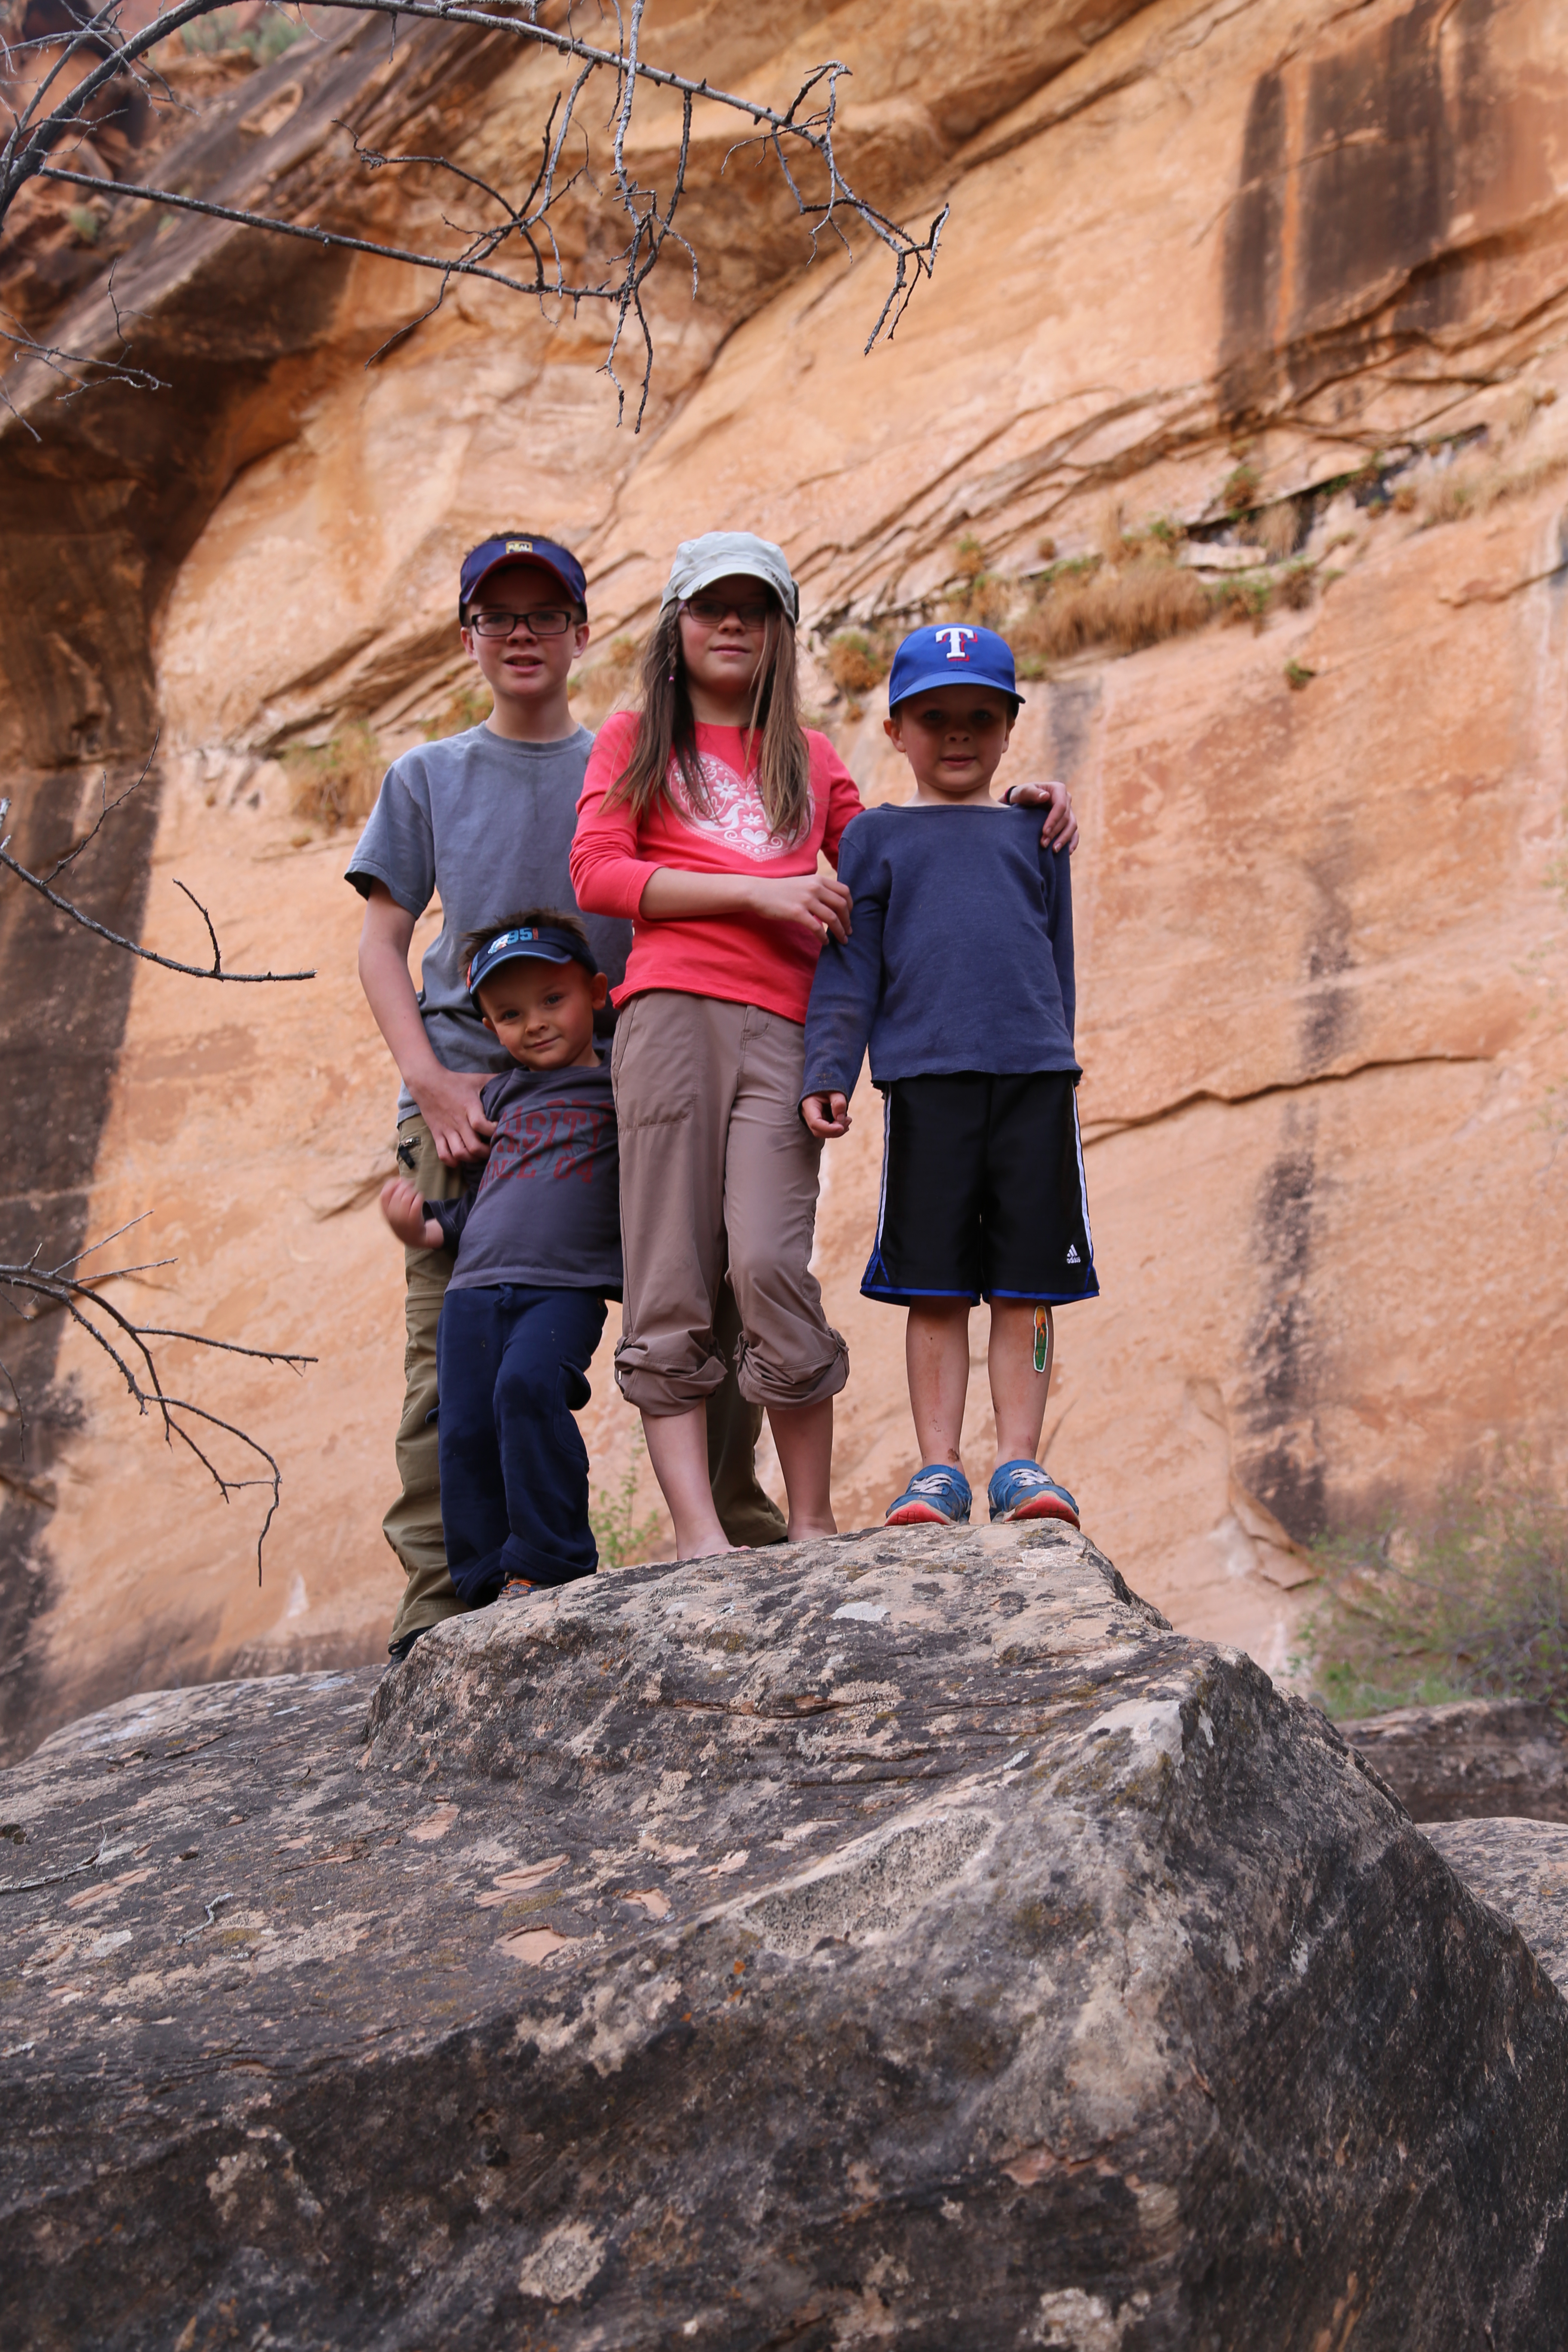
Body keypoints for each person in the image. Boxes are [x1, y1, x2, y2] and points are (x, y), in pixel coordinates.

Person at [570, 532, 1080, 1559]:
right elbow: (598, 876)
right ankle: (699, 1533)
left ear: (783, 634)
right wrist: (760, 891)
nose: (732, 626)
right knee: (670, 1266)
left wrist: (1030, 805)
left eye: (755, 611)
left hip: (786, 1022)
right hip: (668, 1008)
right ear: (676, 624)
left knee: (768, 1261)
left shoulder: (812, 759)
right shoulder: (635, 738)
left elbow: (906, 856)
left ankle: (809, 1524)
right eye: (711, 607)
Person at [347, 533, 784, 1665]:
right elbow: (382, 941)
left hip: (631, 1074)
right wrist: (429, 1080)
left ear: (586, 633)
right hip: (469, 1095)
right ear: (469, 640)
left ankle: (734, 1524)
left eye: (547, 615)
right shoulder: (428, 777)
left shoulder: (639, 761)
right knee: (449, 1349)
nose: (524, 635)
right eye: (500, 618)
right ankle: (448, 1597)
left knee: (706, 1294)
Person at [799, 621, 1096, 1531]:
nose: (959, 734)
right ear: (896, 730)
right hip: (927, 1082)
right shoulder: (877, 840)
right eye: (935, 718)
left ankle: (1020, 1462)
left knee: (1028, 1284)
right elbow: (852, 968)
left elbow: (1058, 961)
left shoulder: (1034, 831)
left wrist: (1059, 1053)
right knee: (934, 1282)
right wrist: (830, 1064)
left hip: (1034, 1081)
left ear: (1010, 726)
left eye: (980, 715)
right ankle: (938, 1469)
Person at [379, 913, 618, 1603]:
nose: (536, 1023)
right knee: (463, 1425)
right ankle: (484, 1581)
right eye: (510, 1014)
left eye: (553, 999)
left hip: (563, 1287)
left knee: (528, 1388)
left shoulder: (620, 1087)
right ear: (489, 1028)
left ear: (597, 992)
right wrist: (425, 1228)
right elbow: (487, 1200)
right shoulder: (496, 1097)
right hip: (473, 1289)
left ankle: (552, 1555)